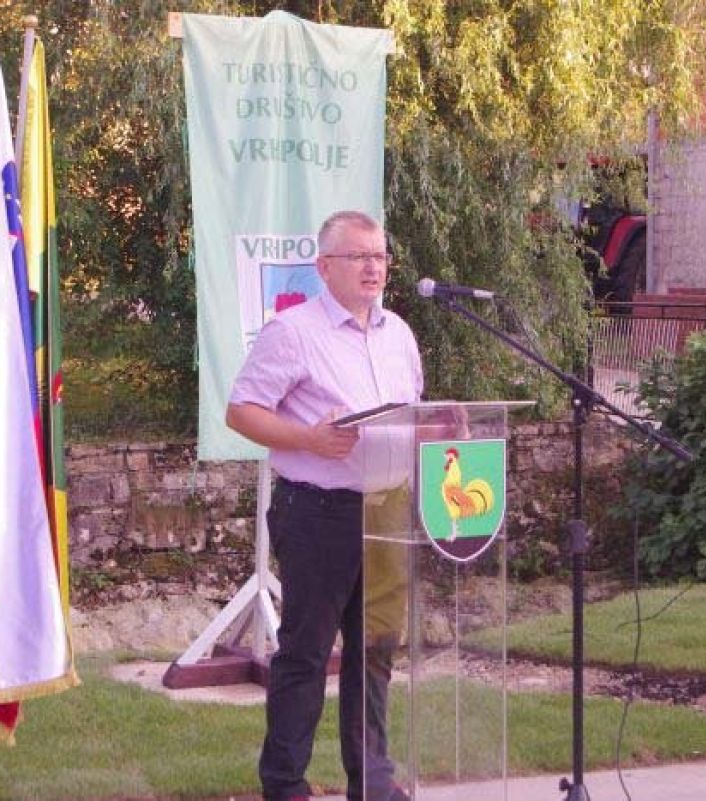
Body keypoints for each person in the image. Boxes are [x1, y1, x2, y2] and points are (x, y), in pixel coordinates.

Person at [226, 210, 423, 801]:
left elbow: (409, 412)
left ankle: (372, 781)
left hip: (388, 510)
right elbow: (241, 411)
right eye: (358, 256)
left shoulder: (399, 334)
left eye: (380, 256)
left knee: (376, 651)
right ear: (324, 267)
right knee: (306, 655)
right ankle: (286, 783)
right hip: (318, 512)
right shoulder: (293, 332)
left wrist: (441, 427)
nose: (372, 267)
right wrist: (310, 439)